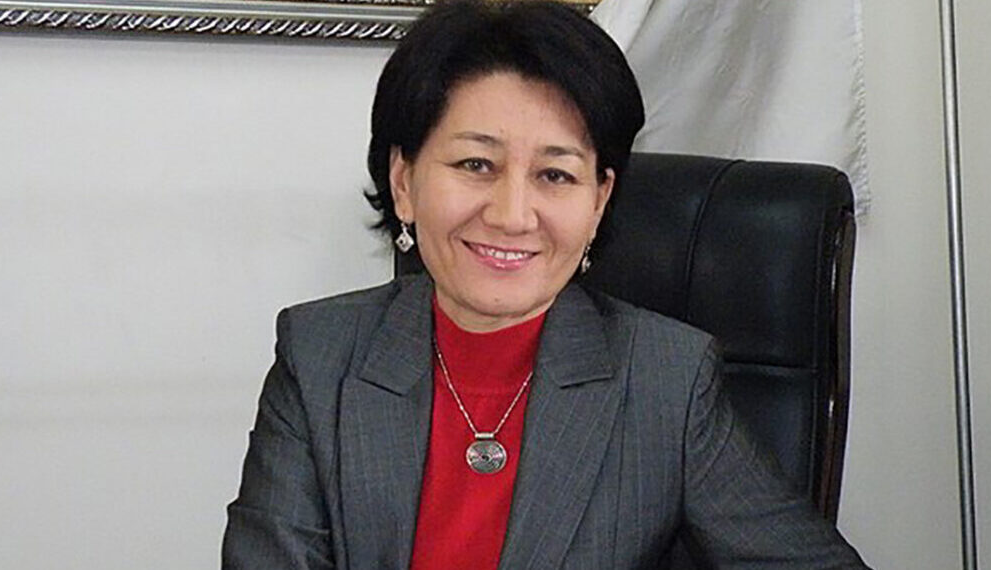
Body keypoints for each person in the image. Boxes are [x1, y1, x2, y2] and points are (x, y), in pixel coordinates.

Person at [222, 1, 868, 568]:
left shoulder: (666, 381)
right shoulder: (321, 356)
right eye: (476, 163)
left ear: (599, 201)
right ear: (404, 182)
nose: (512, 215)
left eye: (555, 175)